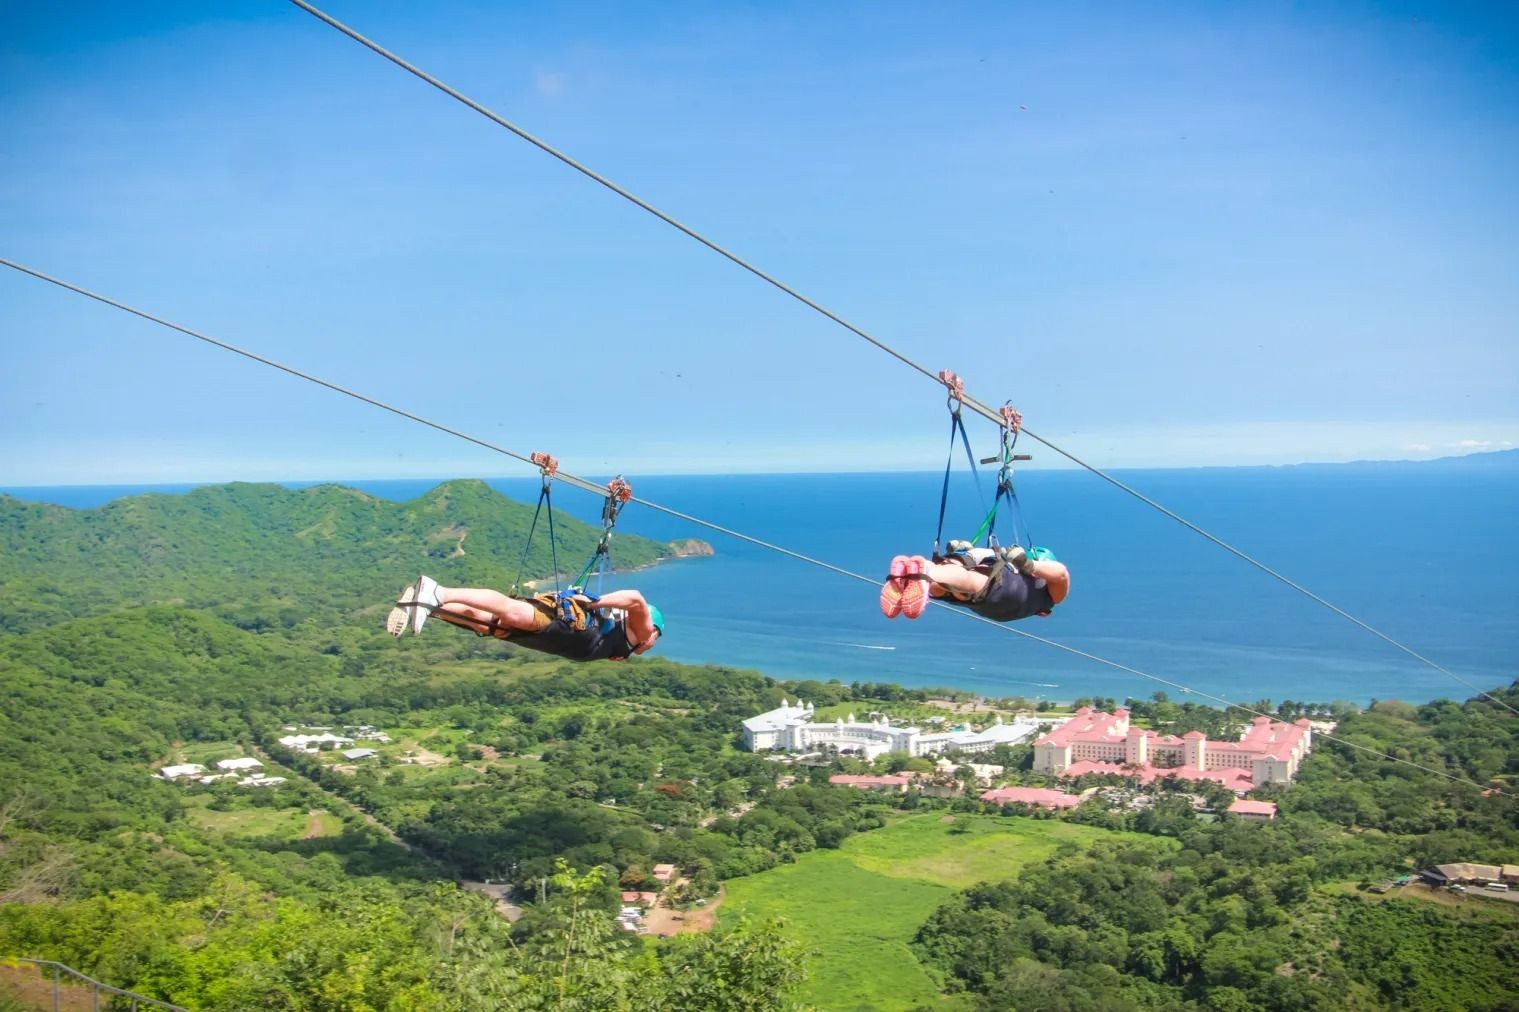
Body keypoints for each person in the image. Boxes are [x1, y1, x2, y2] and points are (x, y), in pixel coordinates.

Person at [386, 575, 664, 661]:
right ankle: (438, 591)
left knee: (483, 622)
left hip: (554, 637)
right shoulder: (638, 631)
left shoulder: (624, 647)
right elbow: (636, 598)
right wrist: (595, 605)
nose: (653, 641)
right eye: (656, 635)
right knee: (512, 611)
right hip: (569, 626)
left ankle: (426, 606)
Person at [880, 544, 1069, 622]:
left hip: (1000, 596)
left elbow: (1061, 574)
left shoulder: (1046, 592)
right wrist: (1023, 564)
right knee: (968, 585)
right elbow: (1061, 575)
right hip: (993, 601)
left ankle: (921, 574)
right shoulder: (1046, 600)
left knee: (968, 578)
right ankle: (926, 575)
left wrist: (1028, 564)